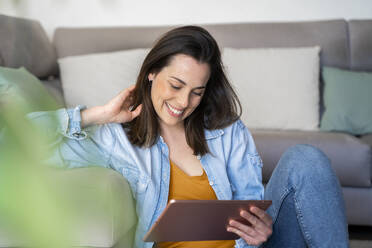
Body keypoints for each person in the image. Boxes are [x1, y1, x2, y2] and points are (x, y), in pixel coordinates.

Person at [28, 26, 349, 248]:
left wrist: (260, 230)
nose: (184, 103)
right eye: (176, 86)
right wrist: (95, 115)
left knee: (306, 158)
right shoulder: (115, 140)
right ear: (151, 73)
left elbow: (252, 210)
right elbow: (13, 140)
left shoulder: (227, 132)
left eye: (197, 92)